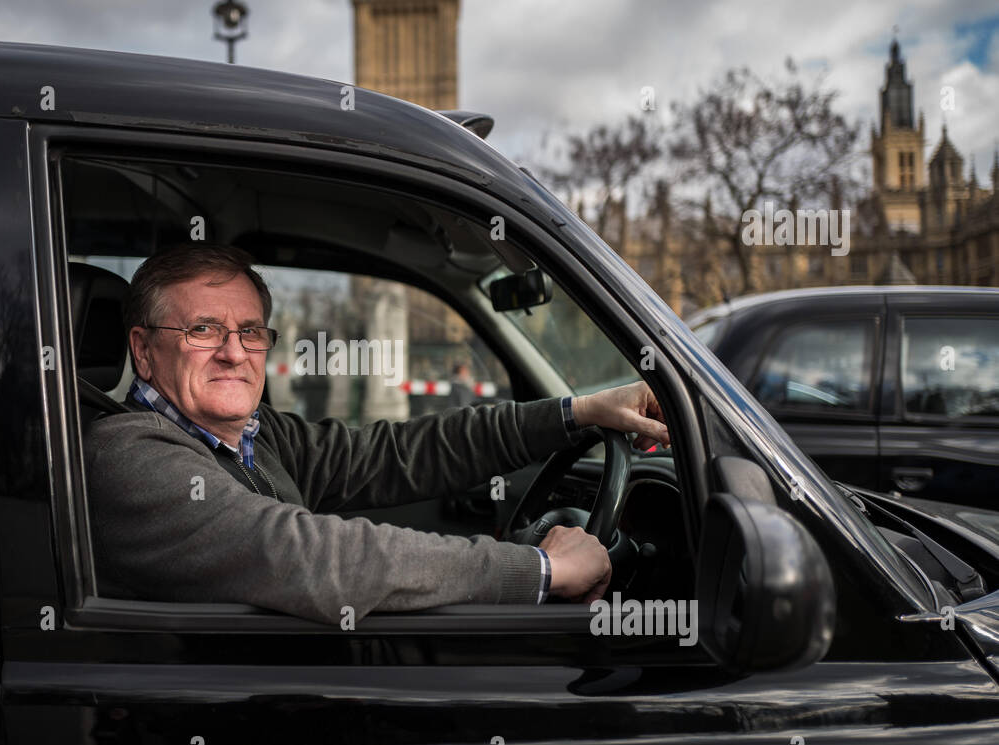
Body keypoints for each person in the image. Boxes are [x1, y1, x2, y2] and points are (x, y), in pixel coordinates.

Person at [84, 244, 669, 624]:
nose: (234, 351)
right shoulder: (128, 455)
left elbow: (401, 453)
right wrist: (540, 571)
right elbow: (311, 556)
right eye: (203, 329)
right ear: (142, 348)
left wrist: (580, 412)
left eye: (251, 331)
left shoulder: (259, 438)